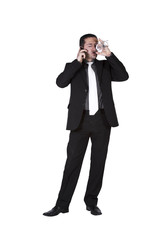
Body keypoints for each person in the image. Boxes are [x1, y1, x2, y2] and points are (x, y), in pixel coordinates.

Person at [43, 33, 129, 216]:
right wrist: (77, 62)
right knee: (72, 163)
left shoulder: (105, 65)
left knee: (98, 163)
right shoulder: (73, 66)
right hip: (79, 121)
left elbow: (124, 76)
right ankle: (61, 205)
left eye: (96, 43)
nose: (95, 46)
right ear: (82, 47)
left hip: (102, 120)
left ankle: (91, 202)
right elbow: (60, 83)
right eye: (91, 44)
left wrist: (109, 55)